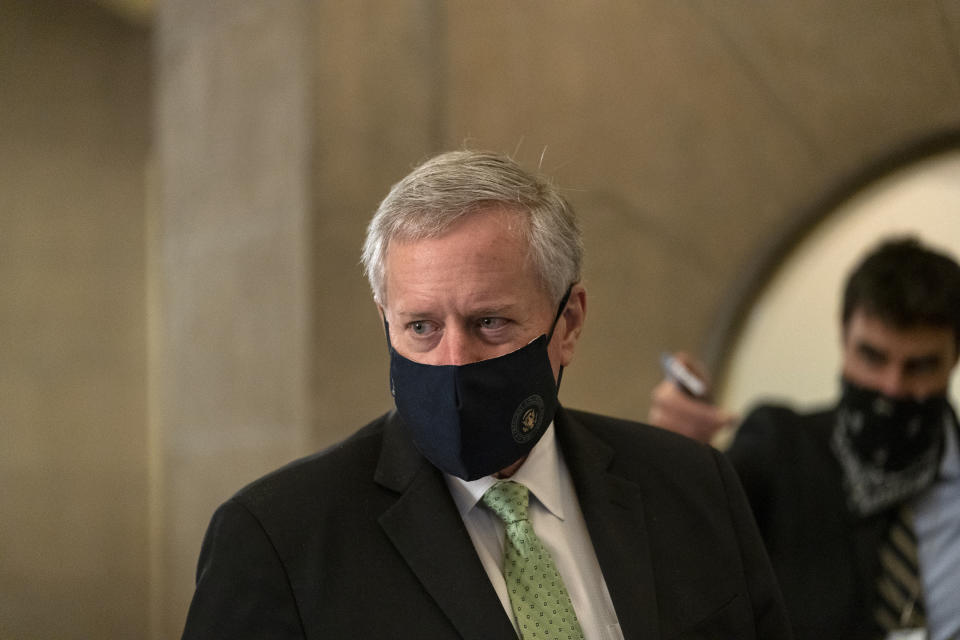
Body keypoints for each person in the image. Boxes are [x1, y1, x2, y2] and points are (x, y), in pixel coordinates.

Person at [181, 150, 791, 639]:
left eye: (490, 323)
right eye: (421, 327)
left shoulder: (694, 488)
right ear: (385, 323)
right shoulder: (280, 538)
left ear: (569, 323)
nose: (453, 362)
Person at [649, 237, 960, 640]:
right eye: (873, 357)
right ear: (844, 337)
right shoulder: (781, 450)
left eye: (919, 366)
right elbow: (685, 557)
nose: (892, 387)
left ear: (953, 358)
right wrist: (672, 453)